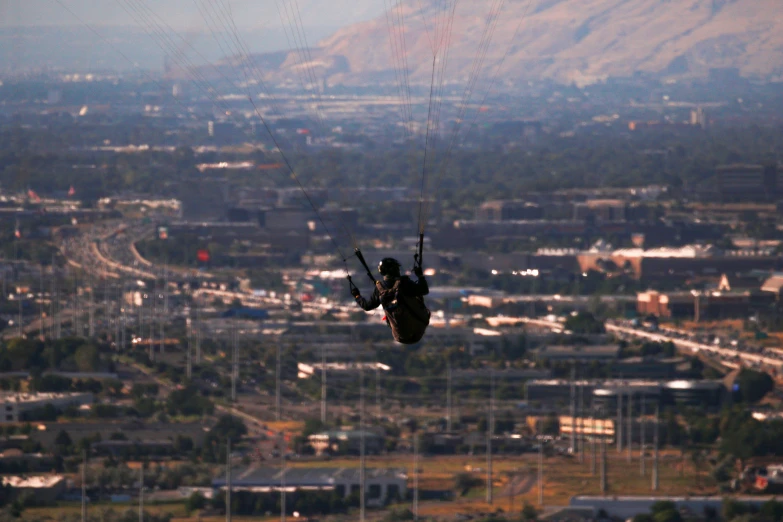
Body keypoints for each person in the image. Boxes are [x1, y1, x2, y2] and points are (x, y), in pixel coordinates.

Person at [351, 257, 430, 344]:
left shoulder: (379, 289)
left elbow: (367, 306)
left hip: (400, 336)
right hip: (418, 330)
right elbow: (424, 290)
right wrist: (420, 276)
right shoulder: (404, 283)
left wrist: (357, 296)